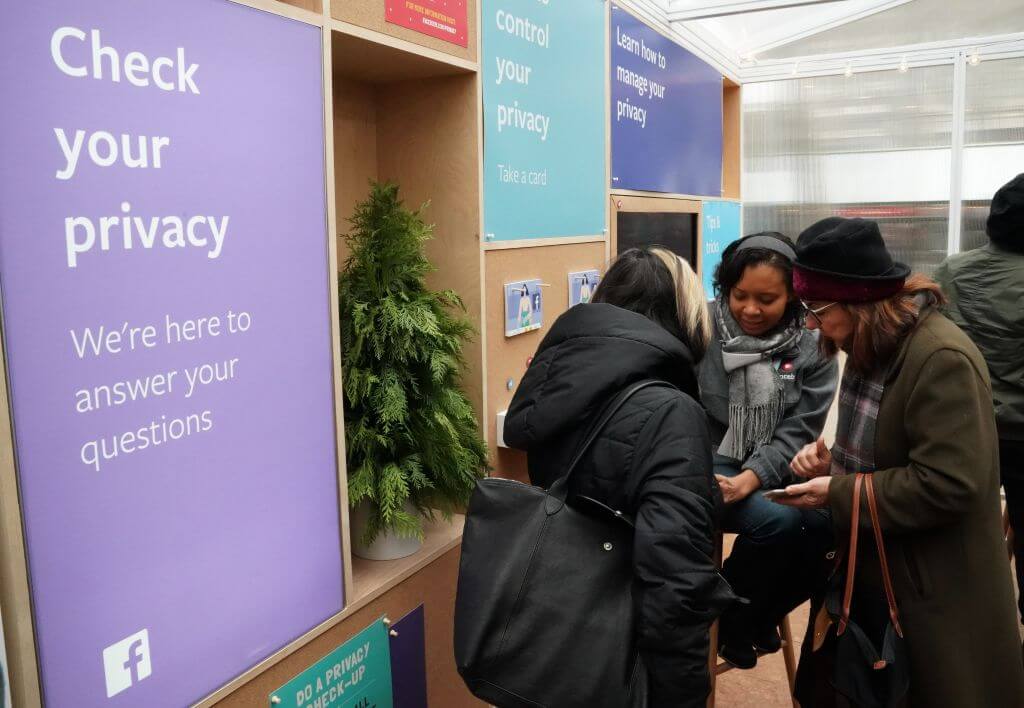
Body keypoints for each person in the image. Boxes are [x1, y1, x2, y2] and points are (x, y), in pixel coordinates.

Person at [778, 217, 1024, 708]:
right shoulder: (872, 345)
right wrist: (832, 467)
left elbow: (949, 484)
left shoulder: (940, 358)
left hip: (935, 589)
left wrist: (839, 491)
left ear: (859, 303)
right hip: (880, 569)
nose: (810, 324)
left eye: (817, 309)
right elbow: (887, 454)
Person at [504, 247, 735, 708]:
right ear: (684, 317)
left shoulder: (556, 384)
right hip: (622, 656)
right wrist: (684, 694)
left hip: (554, 638)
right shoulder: (670, 411)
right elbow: (675, 580)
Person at [698, 232, 838, 669]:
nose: (750, 310)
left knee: (832, 527)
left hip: (776, 462)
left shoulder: (815, 344)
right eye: (739, 295)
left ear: (793, 295)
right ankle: (735, 616)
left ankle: (746, 615)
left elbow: (800, 429)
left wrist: (753, 476)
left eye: (767, 299)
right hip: (708, 459)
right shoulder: (700, 327)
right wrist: (733, 478)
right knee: (778, 521)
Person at [935, 173, 1024, 626]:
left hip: (960, 431)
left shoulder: (951, 270)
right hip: (1020, 437)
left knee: (958, 541)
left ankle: (959, 640)